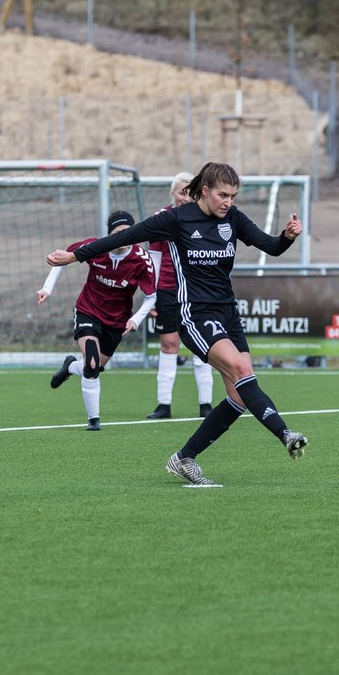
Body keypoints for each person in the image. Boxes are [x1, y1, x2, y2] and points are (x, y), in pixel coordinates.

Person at [47, 162, 305, 487]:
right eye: (222, 195)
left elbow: (273, 247)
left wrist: (288, 236)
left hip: (227, 312)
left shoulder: (234, 219)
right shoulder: (177, 219)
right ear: (206, 190)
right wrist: (75, 256)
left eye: (233, 196)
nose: (228, 201)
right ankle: (286, 434)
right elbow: (125, 236)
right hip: (192, 312)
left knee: (240, 395)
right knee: (242, 370)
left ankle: (185, 458)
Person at [37, 210, 157, 431]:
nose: (124, 236)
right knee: (91, 365)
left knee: (93, 367)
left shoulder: (141, 260)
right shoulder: (96, 247)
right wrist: (47, 288)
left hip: (117, 321)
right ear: (110, 234)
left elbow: (151, 296)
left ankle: (71, 367)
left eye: (128, 232)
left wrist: (136, 319)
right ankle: (94, 421)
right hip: (88, 311)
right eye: (119, 232)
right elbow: (61, 260)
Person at [145, 171, 215, 420]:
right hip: (167, 290)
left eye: (189, 191)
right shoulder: (161, 219)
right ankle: (164, 404)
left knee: (201, 346)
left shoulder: (203, 218)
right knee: (169, 344)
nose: (185, 196)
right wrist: (151, 294)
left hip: (196, 290)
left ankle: (205, 404)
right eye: (180, 191)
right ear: (172, 193)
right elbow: (153, 260)